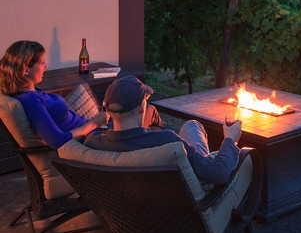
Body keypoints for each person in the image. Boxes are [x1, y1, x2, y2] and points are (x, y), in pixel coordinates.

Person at [84, 76, 242, 184]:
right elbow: (219, 173)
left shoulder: (93, 142)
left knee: (192, 126)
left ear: (107, 110)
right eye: (146, 100)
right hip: (186, 209)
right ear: (140, 107)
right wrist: (230, 139)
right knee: (193, 126)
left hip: (127, 209)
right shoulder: (167, 142)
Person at [0, 40, 109, 148]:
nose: (46, 66)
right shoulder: (31, 101)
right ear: (26, 70)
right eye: (42, 63)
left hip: (96, 133)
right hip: (89, 142)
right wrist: (95, 123)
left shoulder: (33, 93)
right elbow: (57, 141)